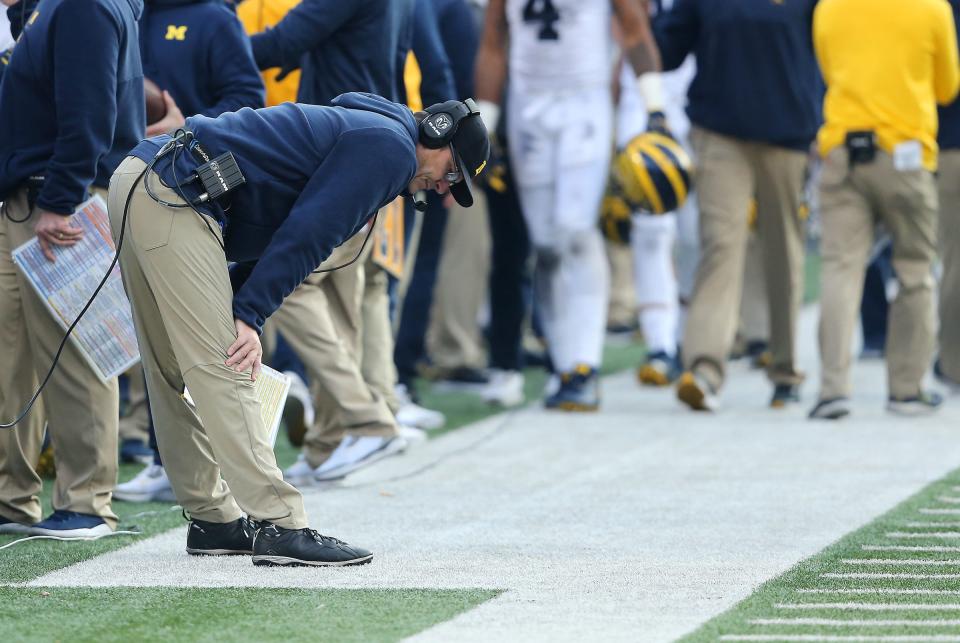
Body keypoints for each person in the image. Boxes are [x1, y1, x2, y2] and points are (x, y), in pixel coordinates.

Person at [107, 92, 489, 565]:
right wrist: (248, 315)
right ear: (436, 132)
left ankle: (214, 521)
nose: (443, 187)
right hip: (177, 194)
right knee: (225, 363)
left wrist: (242, 302)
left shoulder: (379, 127)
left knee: (170, 368)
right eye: (452, 172)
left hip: (143, 179)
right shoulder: (391, 149)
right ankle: (281, 526)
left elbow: (290, 219)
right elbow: (308, 232)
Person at [475, 0, 665, 411]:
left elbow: (634, 30)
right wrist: (484, 127)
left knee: (576, 232)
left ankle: (584, 365)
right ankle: (563, 365)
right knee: (545, 244)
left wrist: (655, 108)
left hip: (585, 102)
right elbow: (493, 43)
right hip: (528, 106)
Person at [0, 0, 143, 537]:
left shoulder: (82, 4)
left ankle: (86, 502)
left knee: (73, 356)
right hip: (29, 200)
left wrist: (61, 198)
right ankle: (10, 496)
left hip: (62, 204)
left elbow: (89, 113)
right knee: (9, 358)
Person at [114, 0, 266, 497]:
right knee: (149, 337)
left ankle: (218, 468)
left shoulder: (215, 18)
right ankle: (162, 455)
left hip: (200, 190)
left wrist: (185, 126)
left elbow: (248, 99)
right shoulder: (129, 14)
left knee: (202, 341)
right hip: (134, 179)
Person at [654, 0, 822, 412]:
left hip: (788, 133)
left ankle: (785, 368)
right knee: (720, 245)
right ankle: (705, 369)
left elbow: (835, 44)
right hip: (720, 132)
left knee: (782, 250)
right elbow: (668, 49)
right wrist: (642, 24)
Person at [809, 0, 959, 419]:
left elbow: (825, 68)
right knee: (914, 271)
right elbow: (947, 86)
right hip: (905, 154)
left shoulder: (830, 7)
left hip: (844, 150)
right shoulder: (932, 8)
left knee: (841, 268)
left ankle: (833, 388)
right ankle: (906, 389)